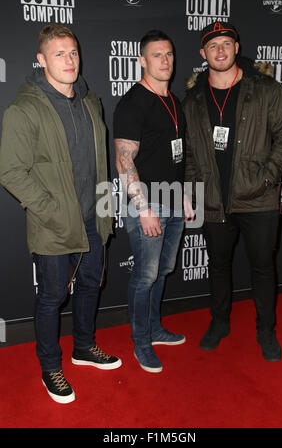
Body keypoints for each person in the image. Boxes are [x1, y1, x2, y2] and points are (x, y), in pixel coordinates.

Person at [0, 24, 121, 404]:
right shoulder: (24, 109)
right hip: (54, 223)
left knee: (89, 287)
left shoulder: (91, 101)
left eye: (73, 53)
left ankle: (83, 347)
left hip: (93, 218)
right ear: (41, 60)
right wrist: (52, 210)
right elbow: (11, 171)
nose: (69, 61)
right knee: (52, 297)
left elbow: (100, 165)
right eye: (58, 54)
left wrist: (105, 209)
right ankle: (50, 365)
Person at [183, 22, 282, 362]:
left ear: (237, 47)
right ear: (203, 54)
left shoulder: (265, 89)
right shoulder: (193, 99)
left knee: (263, 267)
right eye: (213, 45)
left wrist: (267, 178)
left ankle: (266, 329)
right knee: (218, 265)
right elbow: (189, 152)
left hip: (258, 198)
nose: (220, 50)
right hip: (213, 199)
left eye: (227, 43)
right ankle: (219, 323)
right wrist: (193, 190)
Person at [113, 30, 194, 373]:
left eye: (169, 54)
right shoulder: (133, 102)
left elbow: (176, 155)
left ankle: (156, 329)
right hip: (149, 204)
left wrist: (186, 194)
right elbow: (124, 161)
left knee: (162, 271)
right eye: (157, 55)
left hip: (174, 201)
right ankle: (141, 341)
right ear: (142, 61)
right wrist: (143, 208)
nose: (165, 61)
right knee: (144, 277)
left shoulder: (173, 101)